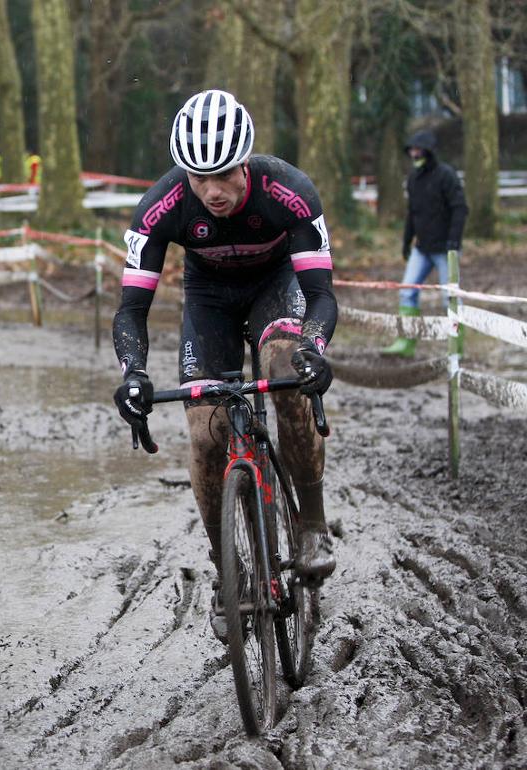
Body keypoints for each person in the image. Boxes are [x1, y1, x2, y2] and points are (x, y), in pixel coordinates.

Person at [111, 89, 338, 643]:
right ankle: (226, 571)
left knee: (285, 369)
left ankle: (310, 523)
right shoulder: (161, 205)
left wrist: (315, 348)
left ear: (245, 164)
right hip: (208, 300)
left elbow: (323, 296)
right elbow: (130, 310)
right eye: (197, 177)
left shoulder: (289, 191)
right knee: (207, 432)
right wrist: (133, 373)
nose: (211, 191)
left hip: (274, 287)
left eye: (223, 175)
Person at [382, 129, 468, 357]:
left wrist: (453, 241)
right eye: (411, 150)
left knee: (448, 297)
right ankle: (406, 343)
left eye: (418, 150)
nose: (414, 154)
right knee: (407, 291)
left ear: (429, 152)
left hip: (445, 250)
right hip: (421, 249)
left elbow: (460, 208)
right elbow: (412, 213)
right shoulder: (413, 179)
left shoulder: (446, 175)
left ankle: (456, 347)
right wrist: (406, 241)